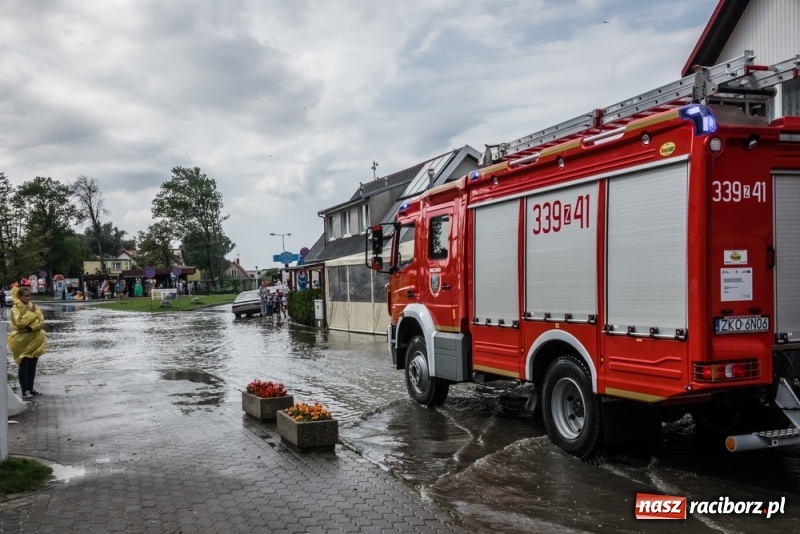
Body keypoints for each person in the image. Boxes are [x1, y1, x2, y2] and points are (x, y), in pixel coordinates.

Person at [7, 281, 47, 399]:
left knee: (32, 365)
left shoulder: (33, 306)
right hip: (22, 341)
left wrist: (30, 328)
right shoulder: (16, 308)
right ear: (19, 296)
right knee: (24, 365)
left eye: (29, 296)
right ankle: (25, 390)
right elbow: (19, 323)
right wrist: (31, 315)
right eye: (25, 296)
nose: (28, 298)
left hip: (35, 339)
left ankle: (31, 388)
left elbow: (41, 322)